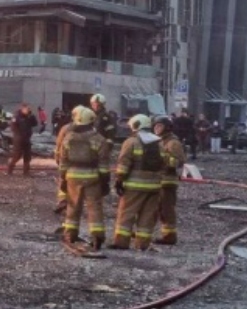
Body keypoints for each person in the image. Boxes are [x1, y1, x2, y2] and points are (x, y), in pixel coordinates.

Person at [56, 106, 111, 250]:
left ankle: (70, 234)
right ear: (92, 121)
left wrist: (63, 179)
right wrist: (105, 181)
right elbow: (104, 165)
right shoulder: (99, 139)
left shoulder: (68, 137)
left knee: (73, 207)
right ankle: (97, 237)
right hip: (92, 177)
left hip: (72, 177)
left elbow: (63, 161)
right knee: (95, 207)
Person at [110, 115, 165, 251]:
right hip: (154, 186)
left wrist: (119, 180)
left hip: (134, 185)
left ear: (135, 125)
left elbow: (124, 163)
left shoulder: (131, 142)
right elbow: (164, 164)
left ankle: (121, 242)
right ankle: (142, 244)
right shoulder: (159, 143)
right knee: (148, 216)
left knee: (127, 213)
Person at [153, 115, 186, 245]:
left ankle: (170, 236)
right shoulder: (158, 140)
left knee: (167, 209)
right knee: (155, 208)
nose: (156, 128)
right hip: (157, 180)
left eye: (160, 126)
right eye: (155, 125)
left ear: (167, 128)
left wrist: (161, 158)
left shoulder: (173, 143)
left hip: (168, 181)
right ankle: (145, 232)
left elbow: (178, 162)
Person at [7, 103, 39, 175]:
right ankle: (10, 169)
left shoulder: (29, 116)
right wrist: (19, 135)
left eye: (29, 109)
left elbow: (35, 124)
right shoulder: (17, 116)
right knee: (17, 155)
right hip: (19, 139)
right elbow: (13, 127)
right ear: (22, 109)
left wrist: (32, 116)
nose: (28, 110)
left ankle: (26, 172)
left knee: (27, 156)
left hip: (27, 138)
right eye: (27, 109)